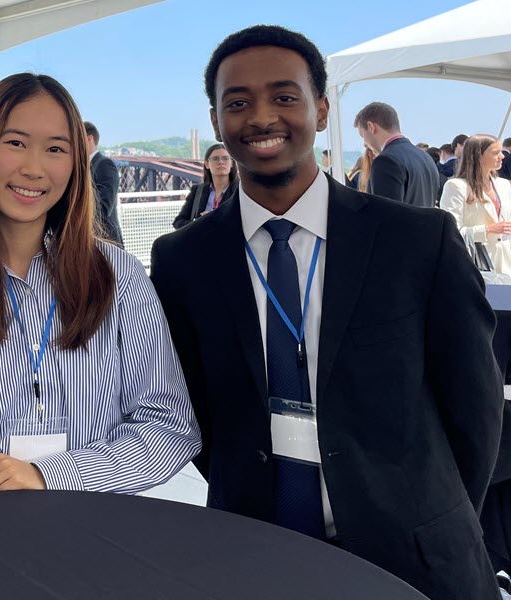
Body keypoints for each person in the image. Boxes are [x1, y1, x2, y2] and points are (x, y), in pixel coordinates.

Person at [150, 25, 501, 600]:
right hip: (254, 558)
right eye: (237, 103)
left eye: (284, 97)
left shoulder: (417, 242)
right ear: (216, 122)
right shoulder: (184, 260)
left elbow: (475, 409)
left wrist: (436, 515)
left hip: (416, 563)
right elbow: (201, 416)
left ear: (320, 109)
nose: (262, 117)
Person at [0, 72, 200, 500]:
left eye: (55, 149)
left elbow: (172, 429)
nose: (33, 167)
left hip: (101, 529)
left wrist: (50, 475)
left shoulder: (118, 275)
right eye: (15, 143)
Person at [440, 134, 511, 274]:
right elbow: (450, 232)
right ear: (479, 156)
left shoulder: (504, 185)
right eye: (496, 153)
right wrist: (486, 229)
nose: (502, 156)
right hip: (473, 268)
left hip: (506, 267)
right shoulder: (456, 186)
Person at [353, 102, 439, 208]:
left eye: (362, 135)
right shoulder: (425, 157)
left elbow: (386, 217)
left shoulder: (386, 161)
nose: (364, 143)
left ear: (371, 127)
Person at [174, 143, 237, 229]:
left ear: (232, 163)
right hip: (200, 241)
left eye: (225, 158)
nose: (221, 162)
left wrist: (215, 220)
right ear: (207, 164)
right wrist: (199, 222)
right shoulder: (197, 191)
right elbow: (178, 222)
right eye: (215, 159)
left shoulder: (241, 191)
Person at [85, 121, 122, 243]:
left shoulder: (105, 164)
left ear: (89, 138)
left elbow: (104, 206)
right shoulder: (85, 165)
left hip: (106, 240)